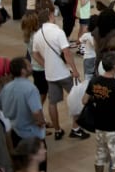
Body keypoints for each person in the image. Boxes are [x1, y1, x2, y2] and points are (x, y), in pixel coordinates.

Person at [31, 8, 85, 141]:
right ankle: (75, 128)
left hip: (50, 74)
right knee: (76, 98)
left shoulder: (37, 34)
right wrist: (75, 69)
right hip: (63, 72)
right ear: (50, 16)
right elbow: (66, 53)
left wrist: (45, 64)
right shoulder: (58, 32)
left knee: (52, 102)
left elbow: (35, 54)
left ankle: (57, 130)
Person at [0, 57, 46, 148]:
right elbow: (36, 112)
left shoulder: (6, 88)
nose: (31, 66)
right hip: (31, 134)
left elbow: (0, 105)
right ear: (23, 71)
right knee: (37, 161)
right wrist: (41, 122)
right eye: (29, 65)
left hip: (15, 132)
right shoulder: (30, 88)